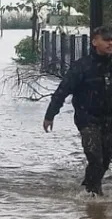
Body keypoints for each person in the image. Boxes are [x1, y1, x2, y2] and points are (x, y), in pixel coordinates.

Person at [44, 25, 112, 196]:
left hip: (108, 118)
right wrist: (50, 115)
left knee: (105, 160)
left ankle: (89, 189)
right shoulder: (81, 66)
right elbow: (62, 91)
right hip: (87, 118)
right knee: (95, 157)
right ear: (95, 42)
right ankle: (92, 195)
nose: (110, 43)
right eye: (106, 40)